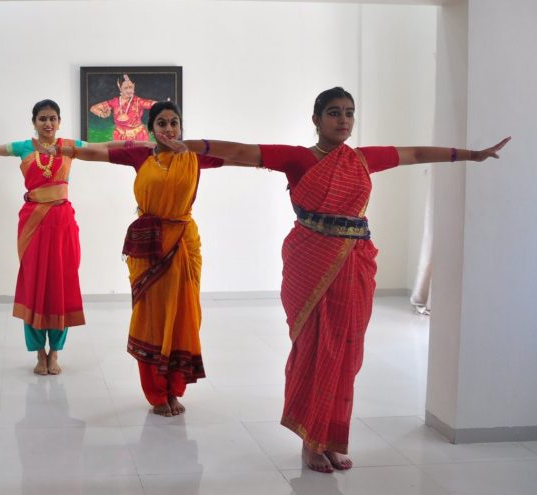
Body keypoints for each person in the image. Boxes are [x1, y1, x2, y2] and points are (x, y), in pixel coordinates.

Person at [179, 86, 510, 472]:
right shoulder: (299, 159)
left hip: (355, 265)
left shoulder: (363, 159)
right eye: (334, 112)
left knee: (346, 355)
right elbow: (241, 151)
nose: (343, 120)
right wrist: (187, 145)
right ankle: (310, 441)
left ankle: (332, 437)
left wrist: (473, 155)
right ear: (316, 119)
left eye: (349, 113)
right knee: (318, 350)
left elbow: (417, 154)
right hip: (310, 263)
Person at [0, 99, 137, 375]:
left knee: (60, 282)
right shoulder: (23, 147)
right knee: (35, 282)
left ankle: (55, 353)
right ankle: (39, 354)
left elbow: (105, 147)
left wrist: (144, 147)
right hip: (33, 223)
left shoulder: (70, 146)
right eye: (42, 119)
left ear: (59, 122)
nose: (48, 124)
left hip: (62, 223)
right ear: (34, 122)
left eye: (53, 119)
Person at [69, 101, 234, 416]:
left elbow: (235, 156)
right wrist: (65, 151)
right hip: (149, 246)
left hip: (185, 243)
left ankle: (176, 388)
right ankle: (158, 393)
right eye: (162, 123)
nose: (169, 129)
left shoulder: (193, 156)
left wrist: (270, 161)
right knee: (154, 316)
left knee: (185, 314)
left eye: (174, 122)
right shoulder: (142, 155)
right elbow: (95, 153)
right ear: (151, 129)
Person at [89, 74, 157, 141]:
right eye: (125, 88)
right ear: (119, 87)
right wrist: (102, 114)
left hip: (138, 136)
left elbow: (152, 104)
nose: (129, 90)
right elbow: (93, 108)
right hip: (119, 137)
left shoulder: (138, 101)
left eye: (130, 87)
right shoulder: (114, 102)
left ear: (134, 86)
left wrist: (163, 104)